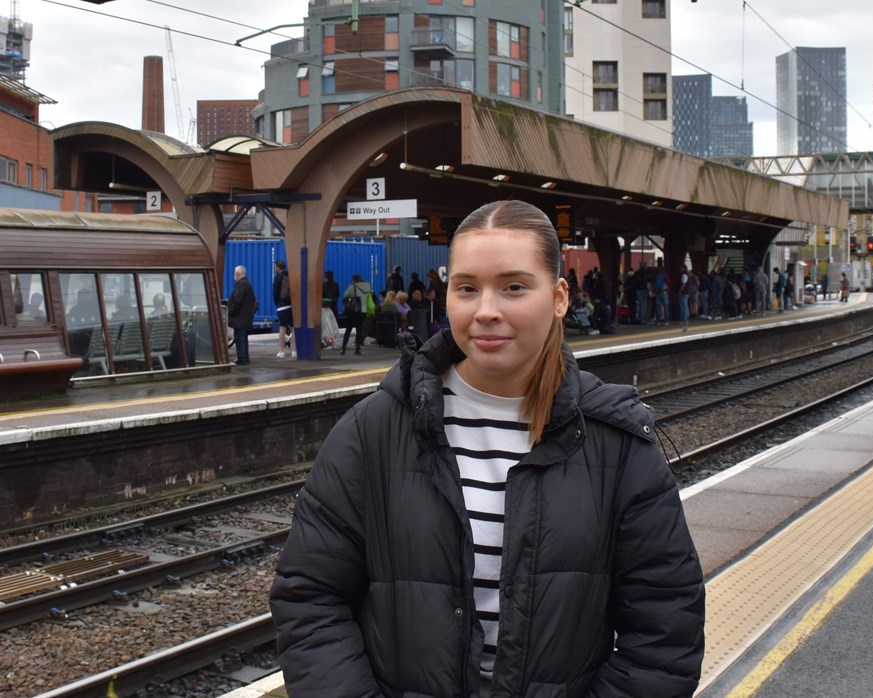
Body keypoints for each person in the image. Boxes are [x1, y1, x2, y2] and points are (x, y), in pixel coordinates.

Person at [270, 199, 705, 697]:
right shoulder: (373, 431)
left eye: (514, 287)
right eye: (467, 289)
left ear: (560, 297)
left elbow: (665, 631)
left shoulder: (618, 444)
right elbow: (310, 599)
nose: (487, 311)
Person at [226, 265, 256, 365]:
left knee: (240, 338)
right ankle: (244, 358)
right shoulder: (247, 284)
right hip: (245, 318)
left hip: (240, 319)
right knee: (243, 339)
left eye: (235, 273)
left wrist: (229, 311)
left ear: (238, 274)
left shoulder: (241, 285)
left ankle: (242, 359)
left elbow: (237, 300)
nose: (234, 275)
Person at [341, 273, 371, 356]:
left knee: (348, 330)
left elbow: (345, 295)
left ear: (354, 280)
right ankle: (358, 349)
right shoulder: (367, 286)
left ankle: (343, 348)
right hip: (362, 311)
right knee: (359, 330)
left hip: (353, 311)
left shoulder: (353, 287)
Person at [273, 260, 294, 358]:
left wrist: (278, 303)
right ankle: (295, 351)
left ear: (277, 267)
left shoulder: (277, 278)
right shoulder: (290, 277)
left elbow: (275, 293)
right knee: (294, 329)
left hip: (282, 306)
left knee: (282, 328)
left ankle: (281, 351)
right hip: (292, 306)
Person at [678, 264, 690, 332]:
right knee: (685, 306)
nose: (680, 269)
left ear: (684, 268)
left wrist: (680, 291)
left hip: (684, 293)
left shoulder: (684, 275)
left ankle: (685, 320)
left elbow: (683, 284)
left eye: (681, 268)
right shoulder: (686, 275)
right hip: (686, 293)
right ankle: (685, 319)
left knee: (684, 307)